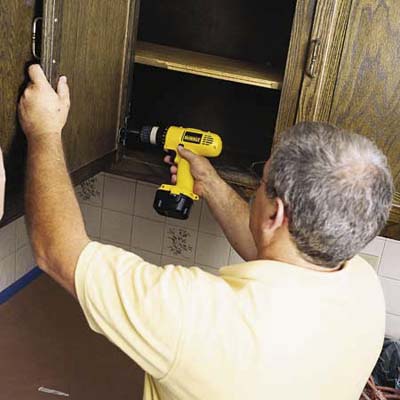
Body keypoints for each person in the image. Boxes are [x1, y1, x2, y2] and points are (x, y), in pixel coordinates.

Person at [18, 64, 393, 400]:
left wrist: (44, 131)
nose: (255, 191)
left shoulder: (199, 317)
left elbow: (58, 251)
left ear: (276, 214)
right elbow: (277, 252)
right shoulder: (361, 286)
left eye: (261, 183)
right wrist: (209, 182)